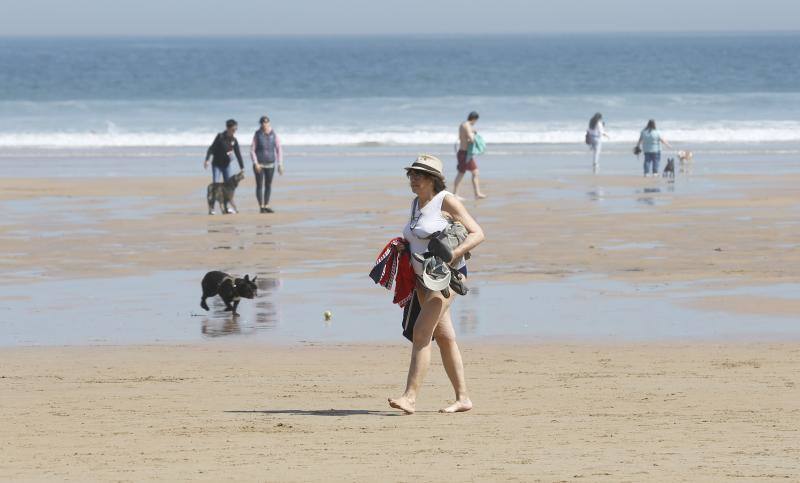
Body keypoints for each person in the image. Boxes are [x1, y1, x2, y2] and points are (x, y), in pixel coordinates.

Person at [389, 154, 485, 415]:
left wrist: (454, 254)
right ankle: (463, 398)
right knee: (444, 337)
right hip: (423, 279)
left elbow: (478, 233)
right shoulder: (414, 205)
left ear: (433, 180)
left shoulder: (447, 201)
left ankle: (410, 397)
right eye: (411, 174)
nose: (414, 179)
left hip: (447, 278)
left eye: (419, 175)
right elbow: (417, 237)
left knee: (422, 333)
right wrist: (403, 246)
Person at [249, 115, 284, 213]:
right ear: (260, 124)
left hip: (270, 164)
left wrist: (280, 164)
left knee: (268, 185)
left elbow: (279, 149)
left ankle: (267, 205)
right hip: (259, 165)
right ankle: (261, 206)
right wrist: (255, 163)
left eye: (267, 123)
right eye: (263, 123)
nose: (265, 124)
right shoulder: (257, 134)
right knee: (259, 185)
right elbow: (252, 150)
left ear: (269, 123)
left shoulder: (274, 134)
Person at [453, 111, 487, 200]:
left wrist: (473, 131)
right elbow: (471, 139)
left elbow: (462, 137)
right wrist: (475, 138)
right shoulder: (467, 125)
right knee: (465, 173)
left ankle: (477, 193)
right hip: (465, 154)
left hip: (462, 152)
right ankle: (456, 194)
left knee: (469, 172)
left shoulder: (462, 125)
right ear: (474, 119)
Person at [204, 119, 244, 184]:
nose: (234, 131)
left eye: (236, 129)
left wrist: (242, 167)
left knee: (228, 186)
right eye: (233, 129)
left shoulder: (234, 140)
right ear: (228, 128)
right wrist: (207, 160)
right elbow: (211, 149)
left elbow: (238, 154)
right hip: (216, 165)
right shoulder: (220, 137)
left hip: (226, 165)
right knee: (215, 186)